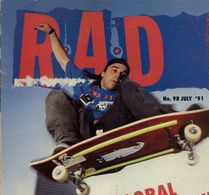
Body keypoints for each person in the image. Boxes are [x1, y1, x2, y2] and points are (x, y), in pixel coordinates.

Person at [35, 23, 196, 154]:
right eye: (114, 70)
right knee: (56, 95)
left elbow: (137, 100)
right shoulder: (83, 82)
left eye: (122, 74)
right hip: (85, 134)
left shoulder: (123, 91)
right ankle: (68, 145)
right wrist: (51, 33)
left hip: (114, 130)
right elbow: (63, 59)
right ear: (103, 72)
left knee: (130, 88)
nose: (118, 75)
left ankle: (170, 121)